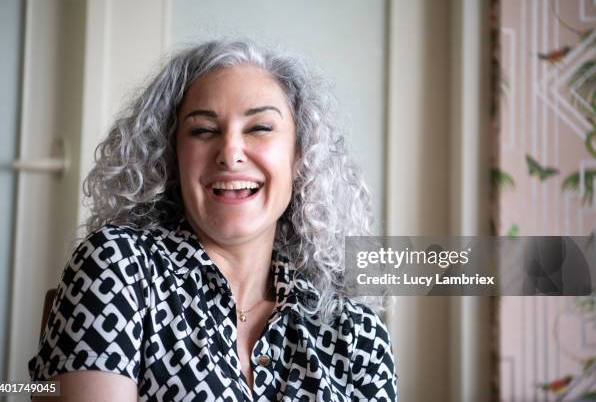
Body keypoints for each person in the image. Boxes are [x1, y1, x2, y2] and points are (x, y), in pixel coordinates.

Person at [29, 39, 398, 401]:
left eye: (259, 128)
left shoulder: (357, 334)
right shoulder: (118, 267)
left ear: (300, 156)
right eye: (203, 130)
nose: (230, 153)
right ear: (171, 155)